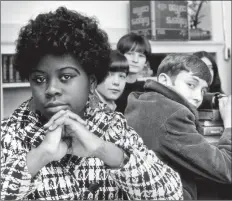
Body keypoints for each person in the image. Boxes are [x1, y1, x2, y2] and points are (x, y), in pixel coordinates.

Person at [0, 7, 183, 200]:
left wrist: (103, 149)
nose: (51, 89)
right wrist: (40, 155)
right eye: (39, 79)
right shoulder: (10, 135)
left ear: (92, 83)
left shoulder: (114, 128)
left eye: (66, 76)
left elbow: (171, 195)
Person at [124, 53, 231, 200]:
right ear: (164, 80)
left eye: (202, 90)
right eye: (190, 85)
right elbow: (226, 169)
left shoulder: (142, 102)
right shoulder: (173, 115)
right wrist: (229, 124)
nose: (198, 97)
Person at [115, 32, 151, 114]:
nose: (135, 60)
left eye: (141, 56)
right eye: (130, 54)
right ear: (120, 56)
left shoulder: (147, 91)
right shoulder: (110, 87)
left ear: (146, 62)